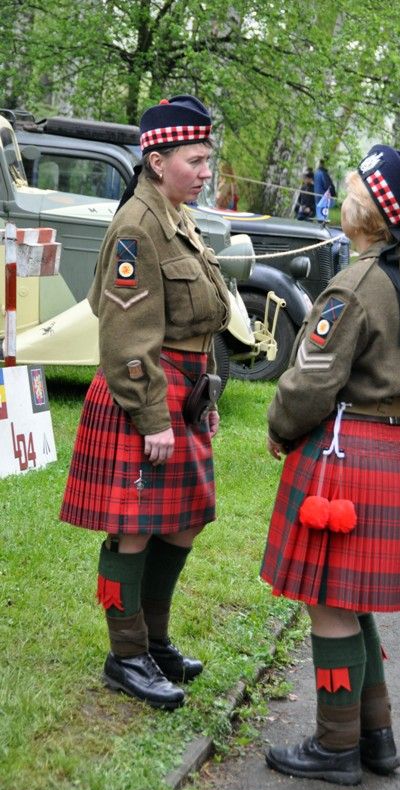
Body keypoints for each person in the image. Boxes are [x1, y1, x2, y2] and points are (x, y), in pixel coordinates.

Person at [261, 145, 400, 786]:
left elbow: (309, 380)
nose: (343, 197)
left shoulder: (354, 285)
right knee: (352, 601)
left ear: (367, 209)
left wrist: (282, 429)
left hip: (348, 452)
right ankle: (376, 737)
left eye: (352, 188)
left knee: (329, 603)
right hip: (397, 447)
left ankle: (336, 747)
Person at [60, 95, 231, 710]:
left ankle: (154, 641)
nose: (206, 170)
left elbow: (200, 321)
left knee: (184, 521)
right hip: (145, 391)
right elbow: (126, 334)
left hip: (183, 390)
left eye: (207, 157)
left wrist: (203, 395)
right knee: (131, 531)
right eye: (196, 159)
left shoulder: (176, 217)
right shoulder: (138, 224)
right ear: (157, 161)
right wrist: (152, 414)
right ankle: (125, 655)